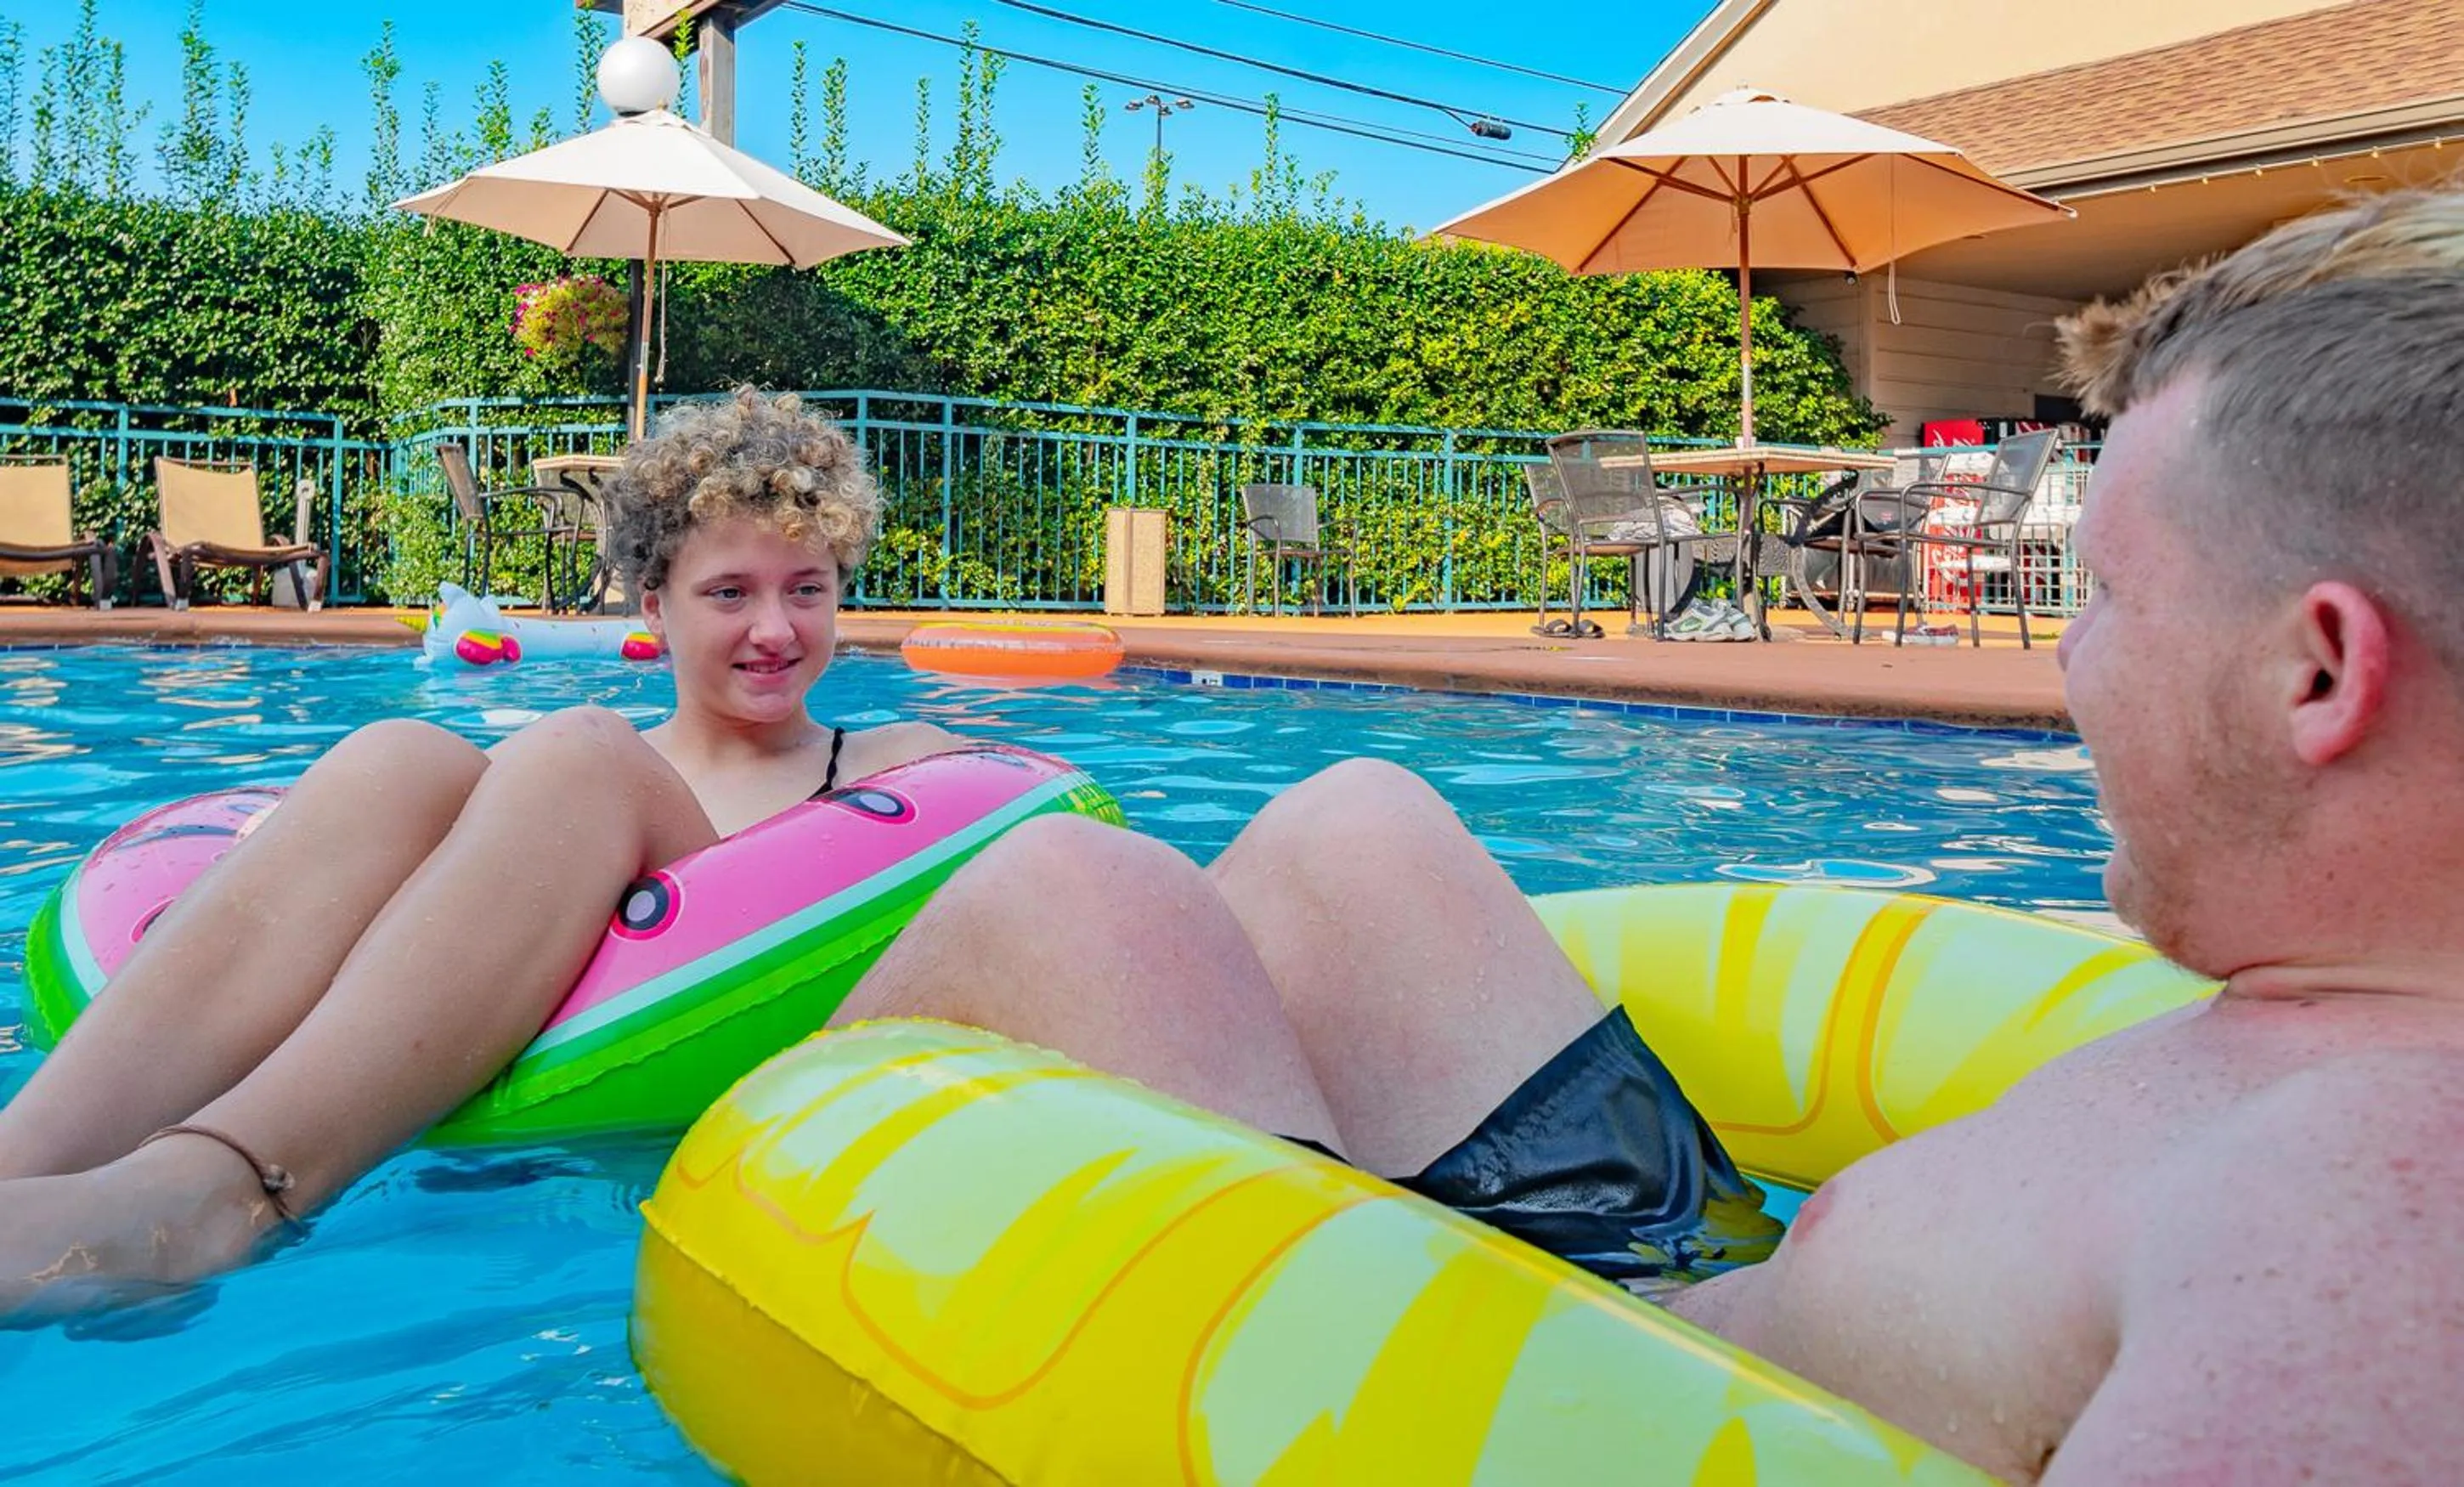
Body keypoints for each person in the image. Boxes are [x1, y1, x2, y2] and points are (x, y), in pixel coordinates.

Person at [828, 187, 2464, 1484]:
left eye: (2107, 594)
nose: (2068, 651)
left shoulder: (2366, 1236)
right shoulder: (2350, 1072)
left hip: (1501, 1415)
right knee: (1354, 825)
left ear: (2317, 671)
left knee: (1071, 885)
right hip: (1669, 1271)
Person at [0, 387, 959, 1314]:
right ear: (653, 606)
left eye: (807, 589)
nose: (773, 628)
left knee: (582, 751)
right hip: (471, 1157)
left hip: (642, 1150)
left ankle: (217, 1193)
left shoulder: (897, 768)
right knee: (400, 755)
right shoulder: (534, 793)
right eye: (727, 593)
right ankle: (24, 1157)